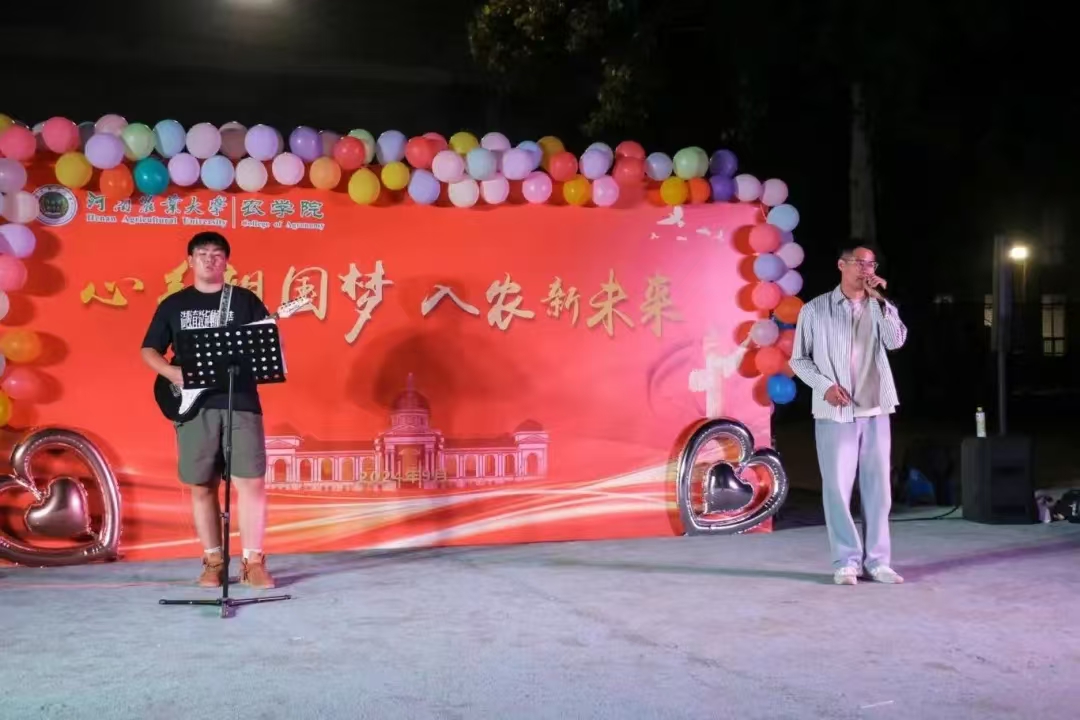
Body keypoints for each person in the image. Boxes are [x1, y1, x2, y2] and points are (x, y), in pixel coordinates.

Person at [140, 231, 275, 589]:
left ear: (226, 262)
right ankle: (213, 561)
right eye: (202, 253)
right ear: (190, 261)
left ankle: (253, 562)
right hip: (194, 405)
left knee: (251, 481)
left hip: (240, 400)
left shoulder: (244, 300)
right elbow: (149, 349)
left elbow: (266, 347)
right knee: (201, 484)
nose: (210, 259)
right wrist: (172, 373)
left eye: (217, 254)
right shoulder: (174, 304)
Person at [789, 244, 908, 585]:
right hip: (835, 411)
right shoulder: (815, 309)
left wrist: (882, 302)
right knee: (838, 489)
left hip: (876, 408)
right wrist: (824, 385)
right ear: (841, 265)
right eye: (859, 263)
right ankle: (846, 561)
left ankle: (878, 562)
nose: (866, 269)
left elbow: (896, 342)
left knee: (878, 490)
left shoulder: (879, 306)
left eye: (872, 264)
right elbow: (799, 359)